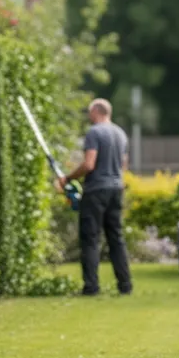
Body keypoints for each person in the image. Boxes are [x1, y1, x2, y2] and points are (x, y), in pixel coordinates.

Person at [58, 98, 132, 296]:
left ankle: (91, 287)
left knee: (90, 239)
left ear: (96, 112)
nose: (88, 117)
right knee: (116, 238)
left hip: (96, 190)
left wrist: (69, 178)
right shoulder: (121, 134)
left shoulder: (94, 133)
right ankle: (125, 285)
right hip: (116, 189)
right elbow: (123, 166)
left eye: (89, 113)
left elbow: (89, 164)